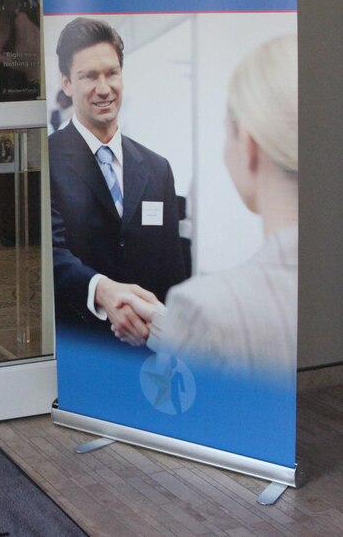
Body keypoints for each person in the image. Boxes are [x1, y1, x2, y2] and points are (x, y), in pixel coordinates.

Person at [118, 35, 298, 373]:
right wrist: (167, 325)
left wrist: (188, 323)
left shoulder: (206, 306)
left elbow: (179, 401)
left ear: (248, 145)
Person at [49, 17, 187, 345]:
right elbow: (49, 254)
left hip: (147, 352)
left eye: (112, 73)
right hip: (79, 349)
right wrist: (101, 290)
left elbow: (173, 270)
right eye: (89, 76)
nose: (104, 88)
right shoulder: (47, 160)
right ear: (67, 83)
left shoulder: (157, 169)